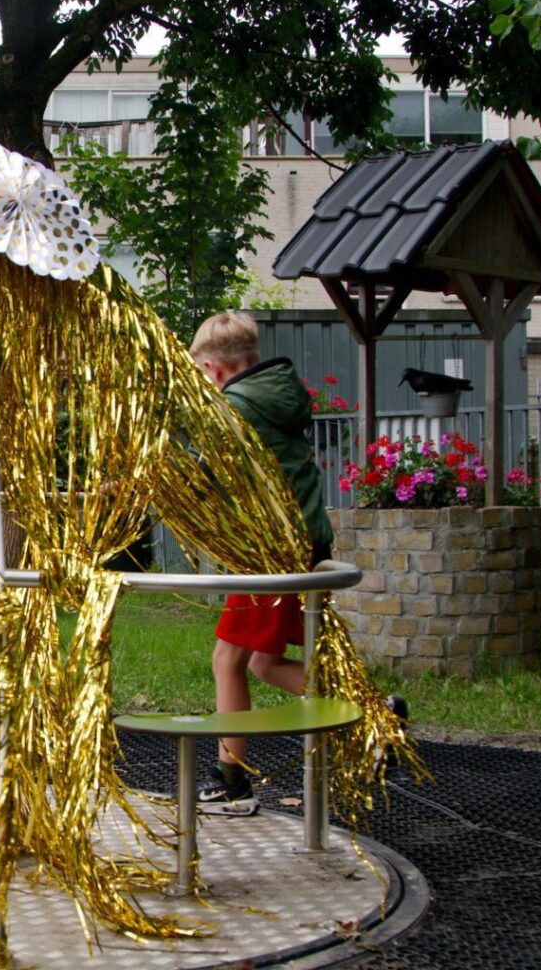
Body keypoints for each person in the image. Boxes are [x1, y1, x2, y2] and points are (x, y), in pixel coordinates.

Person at [189, 311, 333, 817]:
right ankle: (375, 712)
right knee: (263, 663)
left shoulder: (235, 408)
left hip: (272, 552)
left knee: (227, 660)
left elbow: (200, 478)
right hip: (304, 544)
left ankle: (232, 784)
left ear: (214, 369)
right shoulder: (278, 394)